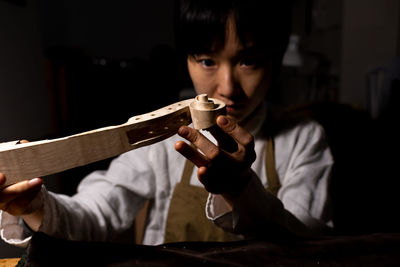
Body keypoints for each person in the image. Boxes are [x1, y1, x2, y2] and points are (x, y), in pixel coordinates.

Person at [0, 0, 333, 247]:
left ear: (275, 61)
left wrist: (240, 189)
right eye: (207, 60)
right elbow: (97, 212)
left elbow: (305, 239)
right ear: (186, 59)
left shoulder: (304, 139)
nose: (228, 87)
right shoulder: (159, 135)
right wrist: (35, 205)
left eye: (248, 61)